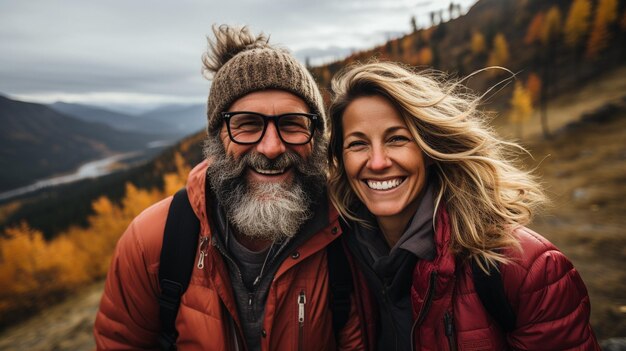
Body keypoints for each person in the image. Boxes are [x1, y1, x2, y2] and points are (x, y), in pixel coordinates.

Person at [94, 25, 365, 350]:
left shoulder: (350, 232)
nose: (271, 148)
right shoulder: (152, 241)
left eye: (292, 124)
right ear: (217, 138)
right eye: (248, 125)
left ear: (316, 137)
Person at [327, 61, 601, 350]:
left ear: (429, 150)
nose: (378, 161)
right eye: (357, 144)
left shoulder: (528, 269)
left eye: (397, 139)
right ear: (341, 161)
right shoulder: (336, 254)